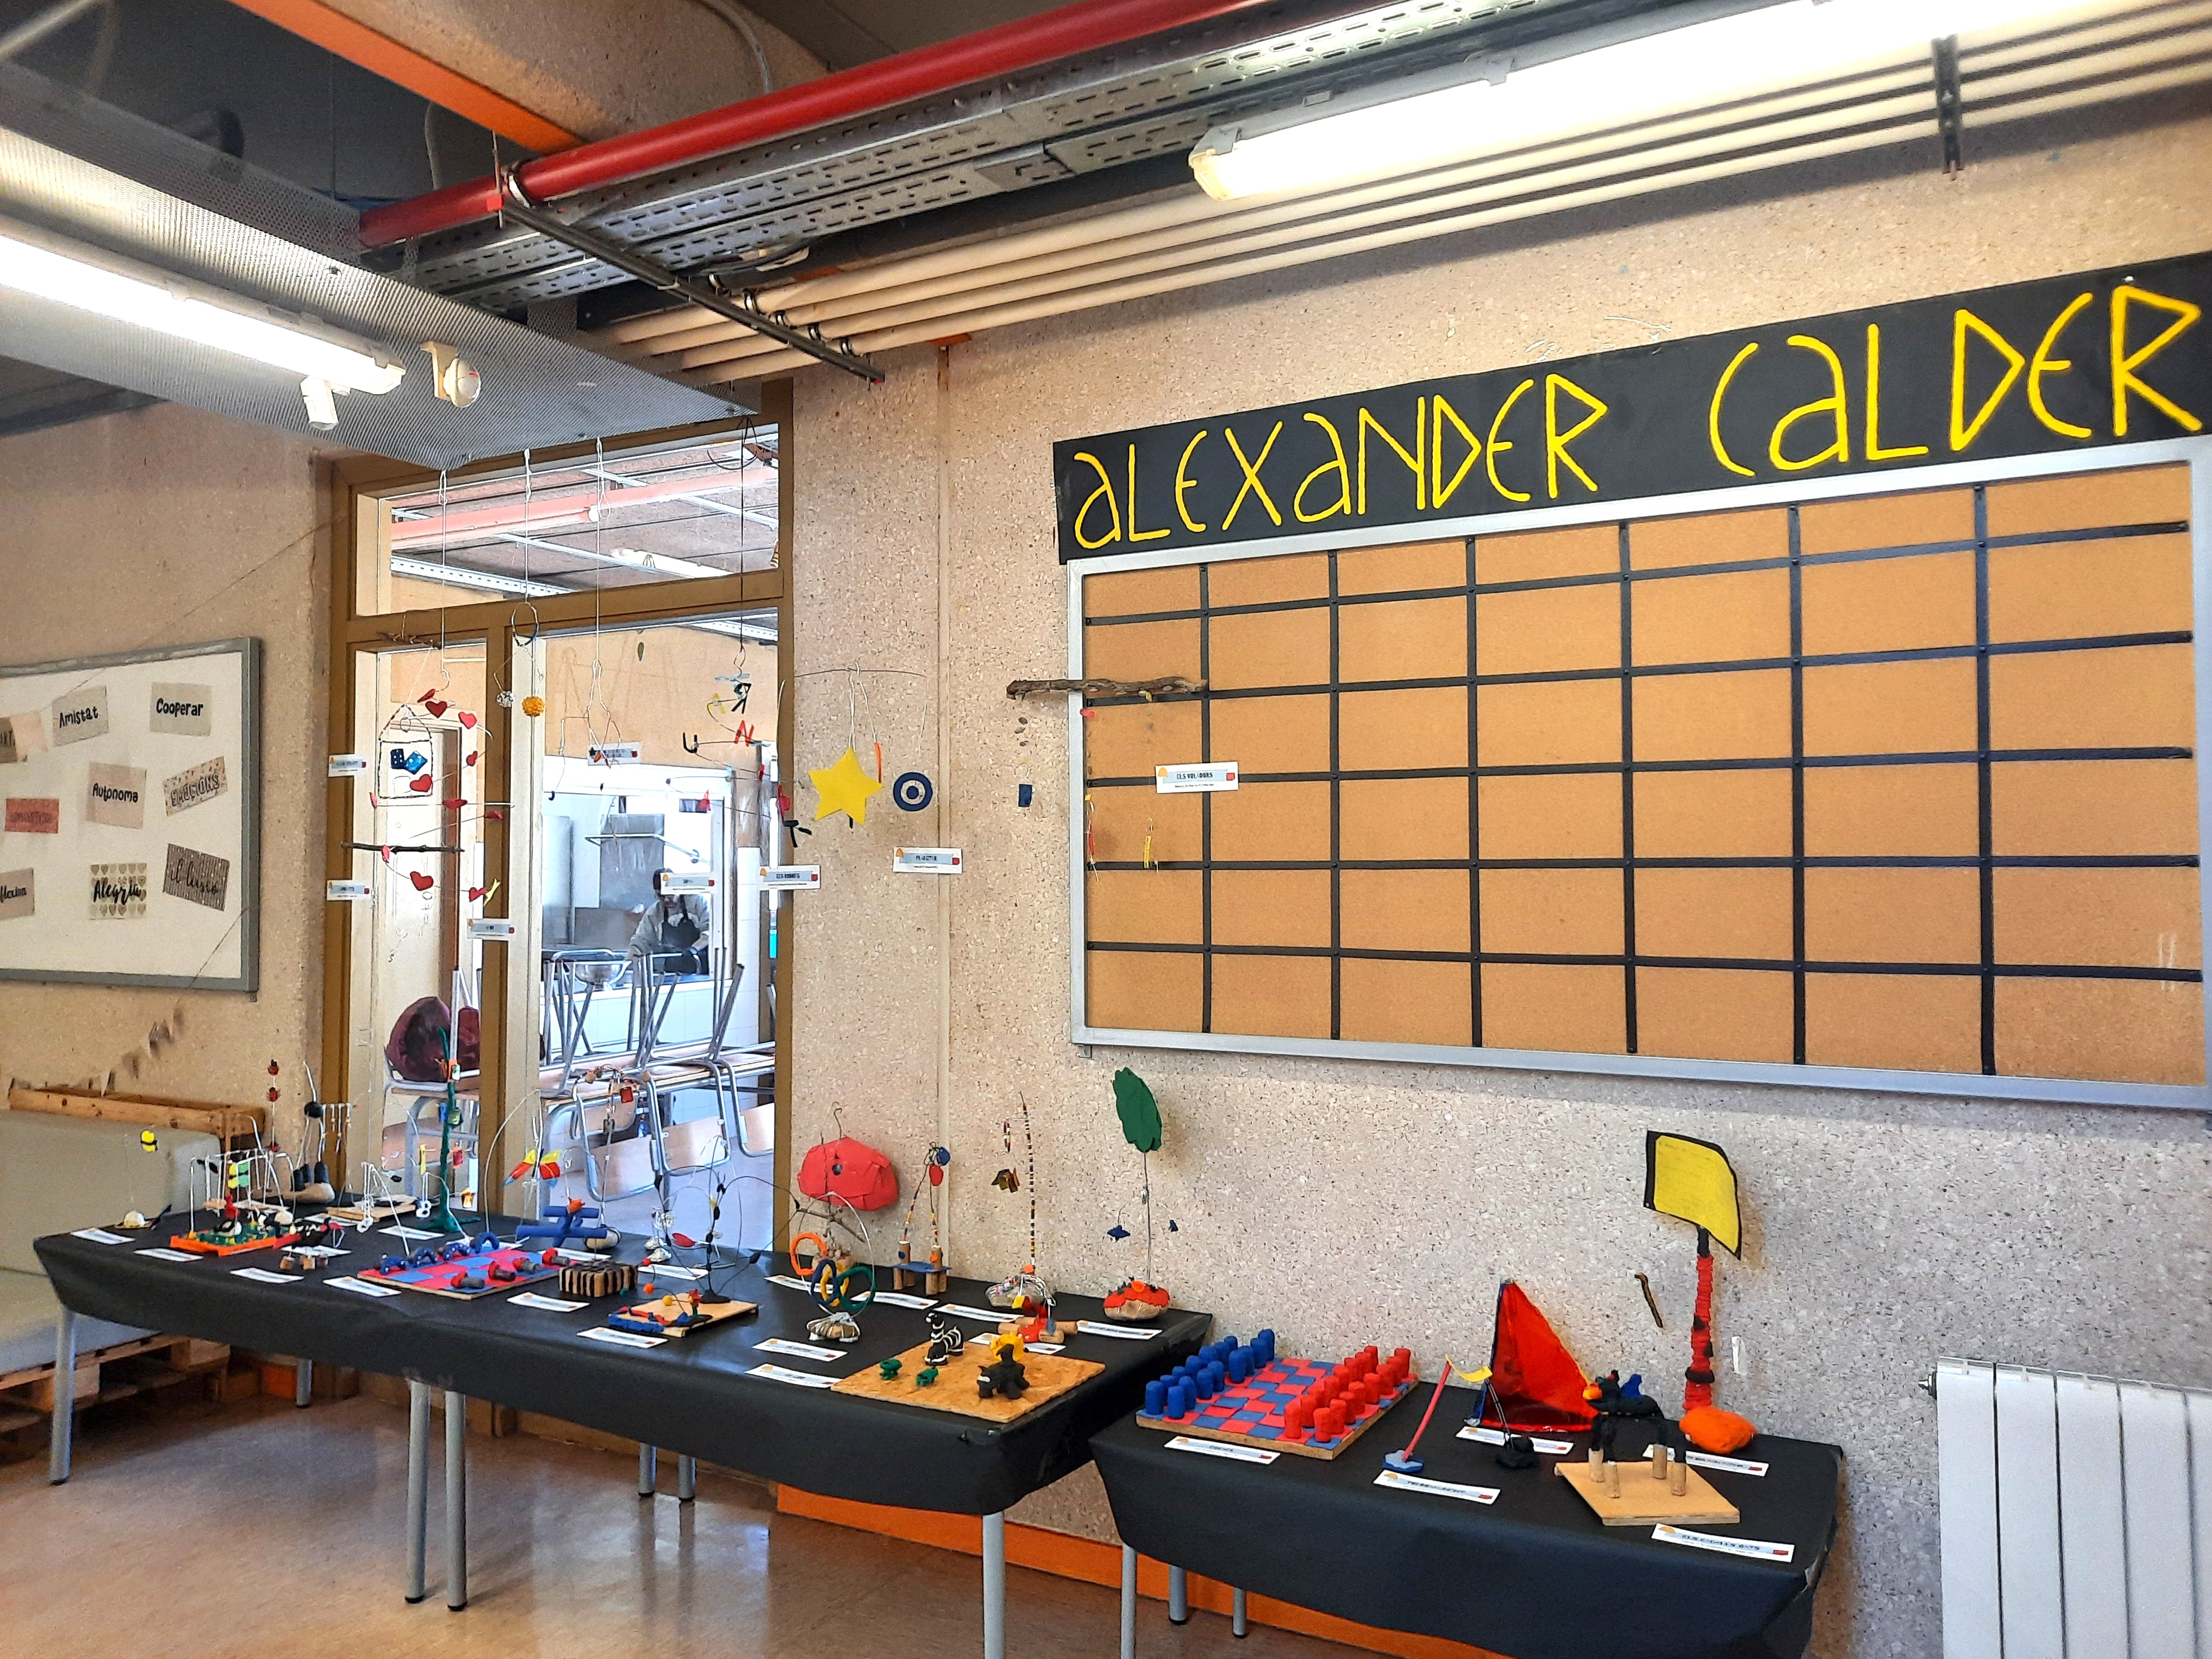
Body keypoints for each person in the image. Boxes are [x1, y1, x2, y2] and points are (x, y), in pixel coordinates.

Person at [629, 869, 711, 976]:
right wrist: (628, 964)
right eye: (661, 896)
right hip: (671, 971)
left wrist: (693, 950)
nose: (667, 900)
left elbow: (710, 932)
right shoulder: (654, 913)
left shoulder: (697, 902)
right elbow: (640, 942)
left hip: (700, 971)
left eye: (670, 896)